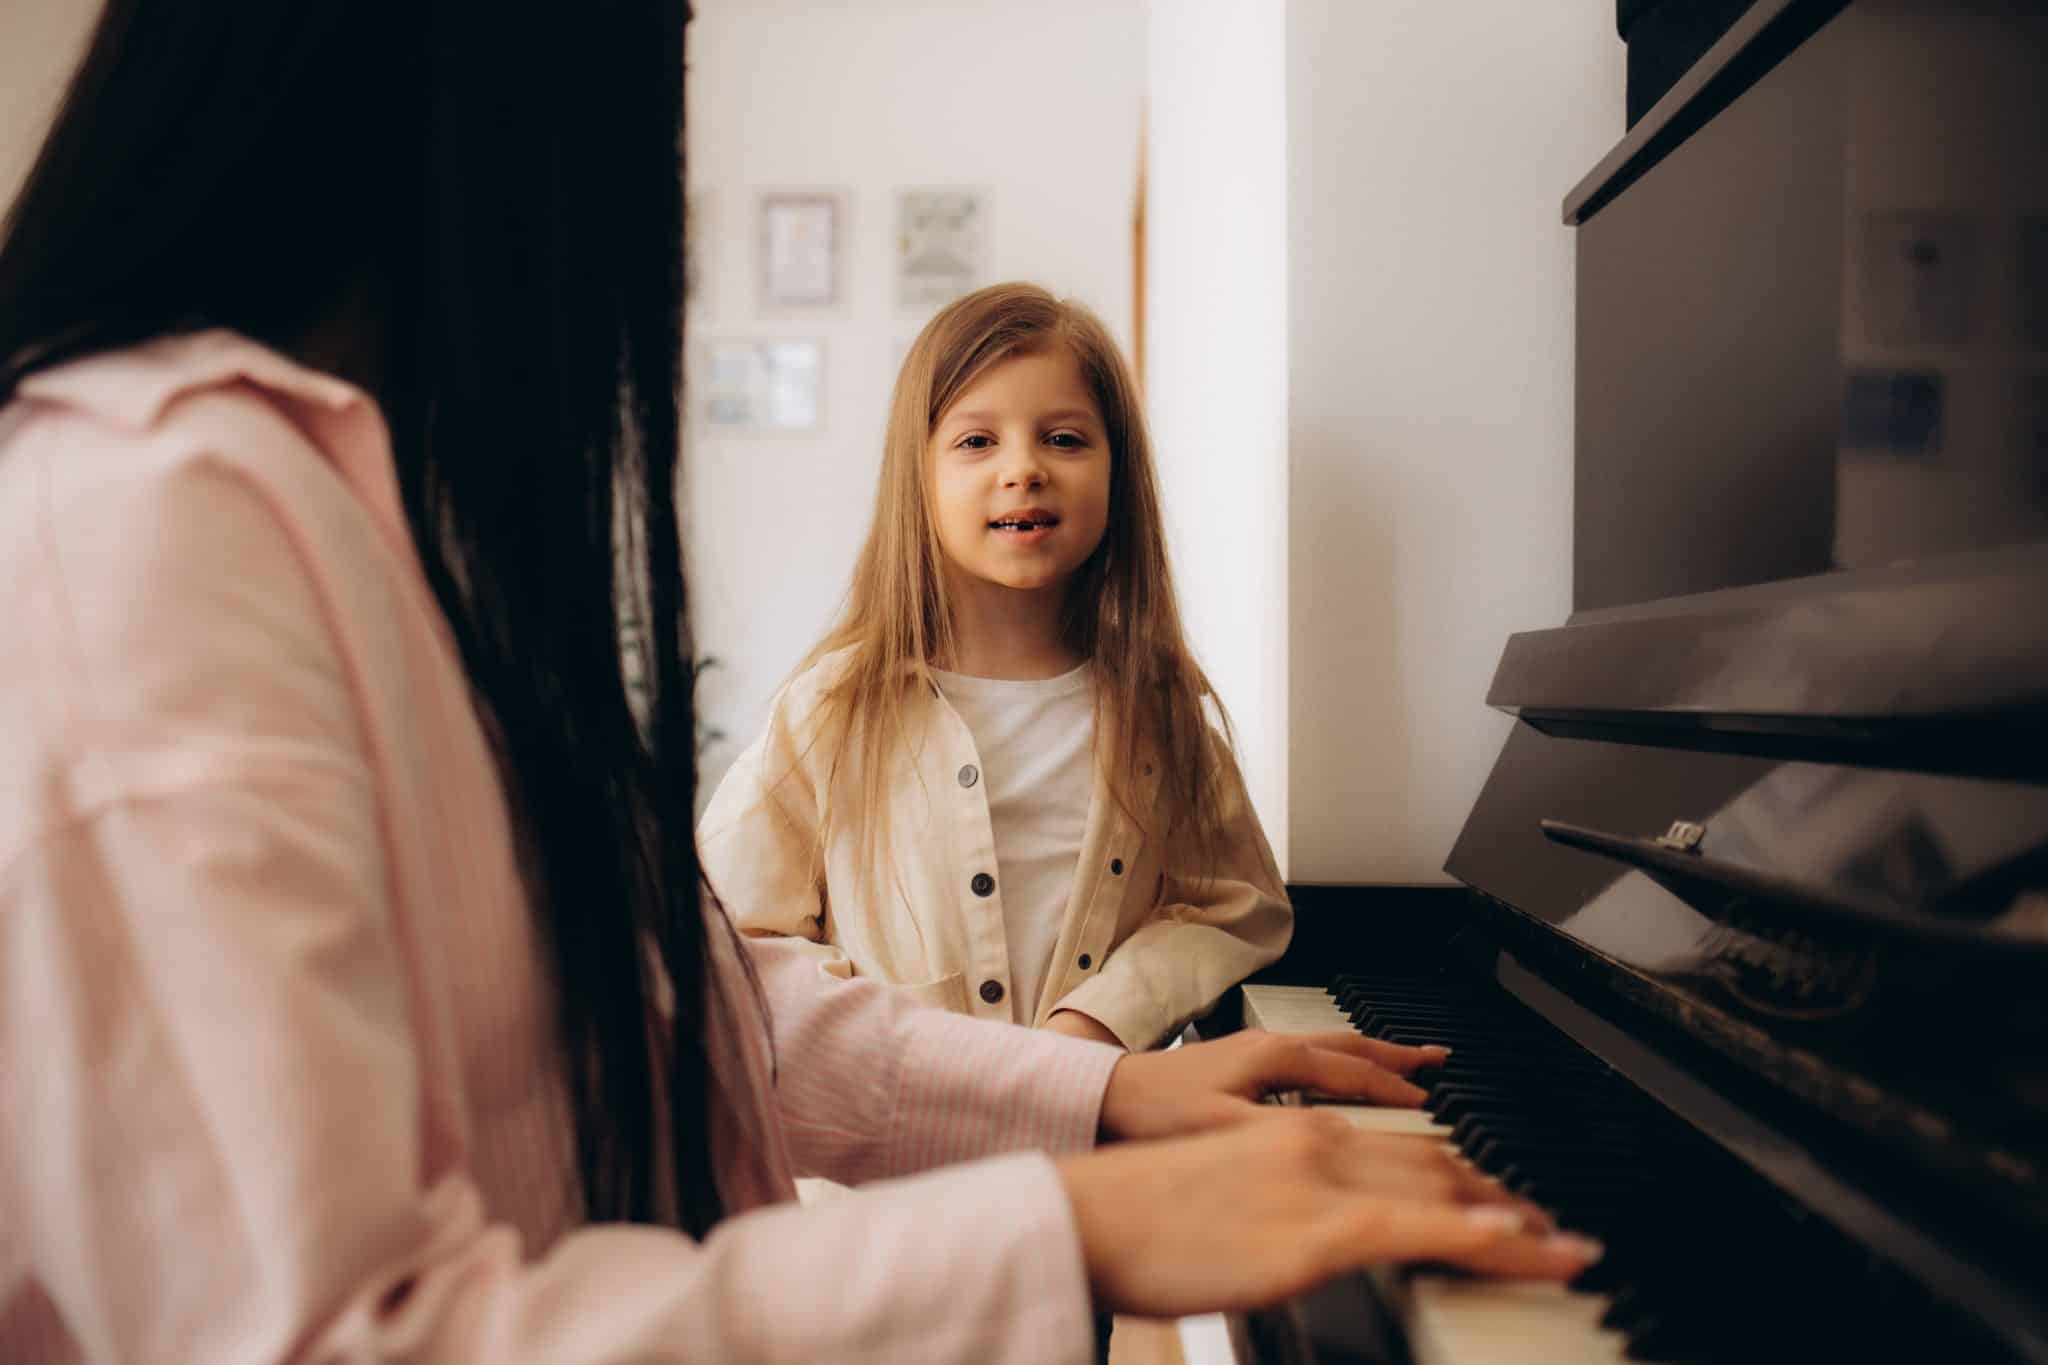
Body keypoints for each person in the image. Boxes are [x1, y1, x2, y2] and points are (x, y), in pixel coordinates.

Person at [0, 4, 1601, 1362]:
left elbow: (689, 995)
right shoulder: (142, 522)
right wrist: (1055, 1226)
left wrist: (1107, 1092)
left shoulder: (384, 522)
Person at [700, 283, 1285, 1052]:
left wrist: (1100, 1019)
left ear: (1118, 473)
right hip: (892, 1161)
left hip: (1103, 1153)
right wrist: (895, 1046)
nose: (1025, 468)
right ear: (921, 478)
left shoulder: (1160, 709)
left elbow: (1235, 904)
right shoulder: (829, 711)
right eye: (977, 442)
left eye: (1065, 439)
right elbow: (734, 933)